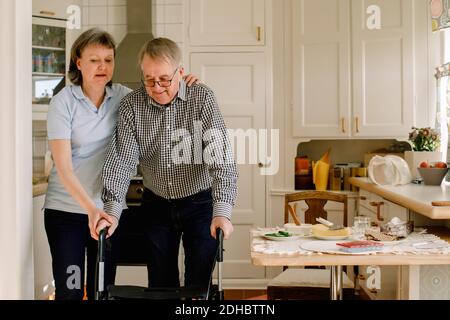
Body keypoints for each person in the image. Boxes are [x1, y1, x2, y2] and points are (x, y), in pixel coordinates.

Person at [44, 29, 199, 300]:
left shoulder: (125, 98)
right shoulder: (63, 103)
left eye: (108, 59)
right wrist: (92, 209)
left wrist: (184, 83)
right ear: (78, 63)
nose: (102, 67)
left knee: (101, 290)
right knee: (69, 289)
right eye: (94, 60)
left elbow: (162, 92)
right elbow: (64, 168)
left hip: (108, 214)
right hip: (67, 212)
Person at [97, 37, 238, 289]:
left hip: (200, 203)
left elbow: (222, 160)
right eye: (149, 79)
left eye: (164, 79)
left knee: (199, 286)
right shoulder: (132, 105)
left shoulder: (202, 98)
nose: (157, 87)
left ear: (180, 72)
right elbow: (121, 162)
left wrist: (222, 213)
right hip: (157, 204)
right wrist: (111, 212)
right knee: (161, 287)